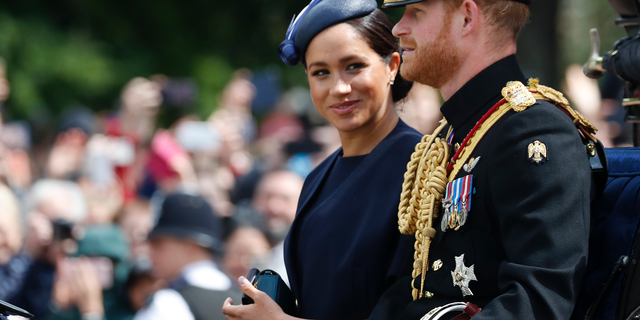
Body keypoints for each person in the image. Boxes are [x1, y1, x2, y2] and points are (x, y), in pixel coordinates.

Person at [368, 0, 598, 319]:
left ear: (466, 17)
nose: (398, 27)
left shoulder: (533, 130)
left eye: (416, 12)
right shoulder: (450, 134)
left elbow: (538, 301)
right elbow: (412, 289)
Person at [222, 0, 421, 319]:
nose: (339, 88)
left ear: (392, 66)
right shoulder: (317, 178)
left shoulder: (422, 165)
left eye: (354, 66)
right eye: (321, 73)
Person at [134, 192, 241, 320]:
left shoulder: (167, 304)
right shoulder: (244, 299)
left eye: (159, 245)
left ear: (191, 246)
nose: (150, 253)